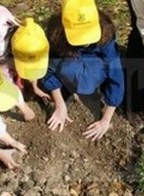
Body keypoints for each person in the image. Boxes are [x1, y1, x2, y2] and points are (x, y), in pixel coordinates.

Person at [37, 0, 124, 141]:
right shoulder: (56, 35)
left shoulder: (105, 33)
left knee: (86, 79)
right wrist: (60, 104)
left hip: (94, 63)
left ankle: (87, 85)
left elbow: (116, 75)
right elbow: (49, 67)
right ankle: (67, 89)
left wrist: (106, 119)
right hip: (69, 59)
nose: (85, 42)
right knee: (67, 69)